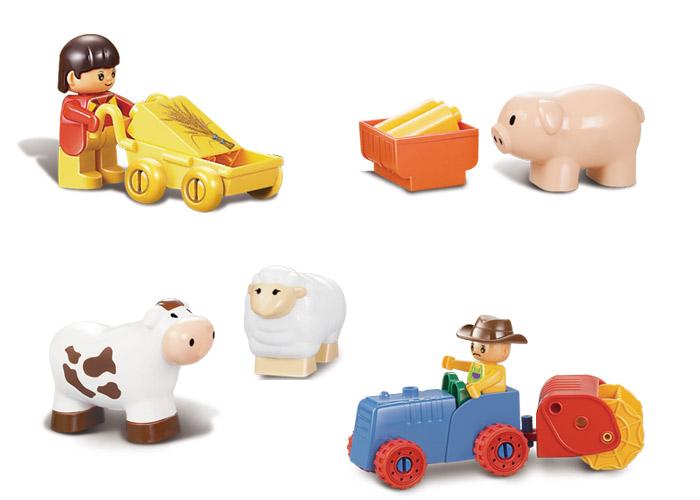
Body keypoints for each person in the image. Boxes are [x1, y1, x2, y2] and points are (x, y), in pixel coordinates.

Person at [57, 34, 133, 189]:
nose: (109, 79)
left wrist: (134, 110)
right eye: (101, 75)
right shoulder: (72, 102)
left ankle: (107, 166)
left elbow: (125, 105)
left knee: (107, 149)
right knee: (85, 154)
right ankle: (80, 172)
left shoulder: (109, 96)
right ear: (72, 78)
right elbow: (70, 112)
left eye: (112, 73)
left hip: (107, 134)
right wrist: (90, 119)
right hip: (86, 136)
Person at [442, 315, 527, 405]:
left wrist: (477, 387)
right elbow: (468, 366)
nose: (475, 350)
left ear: (504, 351)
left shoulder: (498, 371)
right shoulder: (478, 365)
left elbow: (490, 380)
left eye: (482, 349)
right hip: (475, 396)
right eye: (473, 346)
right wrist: (454, 363)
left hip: (490, 399)